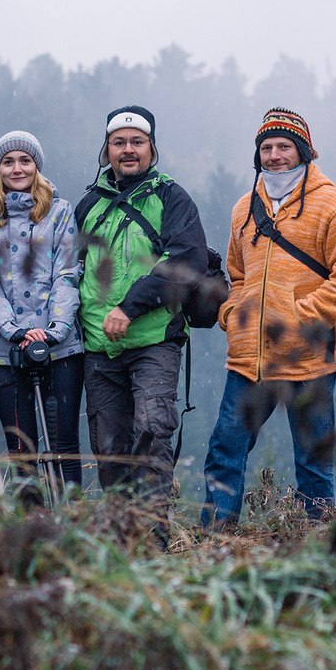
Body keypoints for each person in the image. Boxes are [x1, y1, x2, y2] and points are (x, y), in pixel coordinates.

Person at [201, 108, 336, 526]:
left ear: (304, 152)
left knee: (313, 463)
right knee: (225, 455)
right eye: (266, 148)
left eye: (284, 147)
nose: (274, 155)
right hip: (249, 357)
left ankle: (316, 550)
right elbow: (237, 274)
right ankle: (213, 547)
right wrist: (231, 312)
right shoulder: (244, 208)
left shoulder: (333, 204)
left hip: (309, 357)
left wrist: (300, 316)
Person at [75, 105, 209, 523]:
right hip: (99, 346)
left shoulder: (171, 197)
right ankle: (121, 542)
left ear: (152, 148)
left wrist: (130, 307)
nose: (128, 150)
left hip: (154, 340)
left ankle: (153, 541)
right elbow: (68, 270)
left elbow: (186, 261)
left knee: (151, 437)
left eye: (137, 142)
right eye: (119, 143)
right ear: (106, 150)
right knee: (109, 449)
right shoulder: (88, 205)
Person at [0, 130, 84, 491]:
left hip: (59, 345)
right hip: (6, 351)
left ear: (37, 166)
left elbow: (67, 272)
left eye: (25, 160)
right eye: (8, 161)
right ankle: (31, 531)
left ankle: (72, 523)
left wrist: (54, 328)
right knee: (21, 450)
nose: (17, 168)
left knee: (63, 445)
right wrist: (13, 330)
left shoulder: (60, 213)